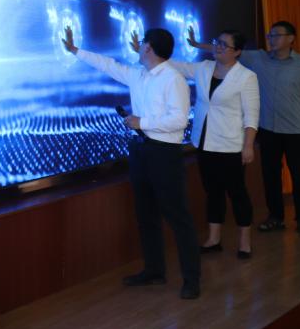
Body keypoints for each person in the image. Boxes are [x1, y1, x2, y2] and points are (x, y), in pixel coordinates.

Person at [63, 26, 200, 299]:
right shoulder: (139, 74)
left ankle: (192, 279)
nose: (138, 47)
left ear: (148, 48)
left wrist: (142, 122)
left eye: (142, 44)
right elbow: (108, 65)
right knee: (145, 214)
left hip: (164, 152)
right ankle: (154, 271)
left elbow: (179, 120)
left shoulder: (173, 79)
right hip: (140, 150)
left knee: (178, 216)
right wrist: (76, 50)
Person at [190, 21, 300, 236]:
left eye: (276, 35)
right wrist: (197, 44)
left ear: (290, 39)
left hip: (296, 130)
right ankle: (275, 217)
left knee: (299, 176)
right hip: (267, 129)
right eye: (270, 35)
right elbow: (227, 49)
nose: (271, 39)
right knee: (270, 176)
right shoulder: (258, 58)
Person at [162, 30, 259, 259]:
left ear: (237, 51)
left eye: (225, 45)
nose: (218, 47)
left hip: (231, 145)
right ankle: (214, 239)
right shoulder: (204, 67)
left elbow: (251, 115)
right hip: (204, 142)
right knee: (212, 191)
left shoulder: (246, 77)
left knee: (237, 193)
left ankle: (244, 241)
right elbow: (177, 66)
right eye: (217, 42)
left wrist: (248, 145)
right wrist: (150, 53)